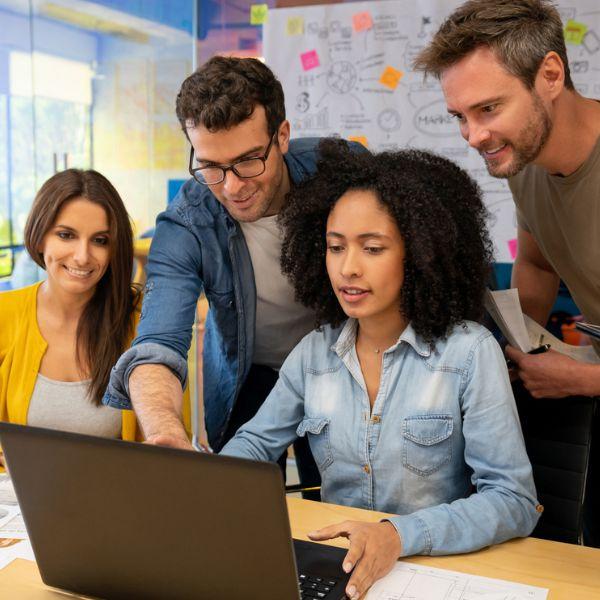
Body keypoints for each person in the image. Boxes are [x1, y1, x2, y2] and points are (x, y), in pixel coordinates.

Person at [220, 140, 540, 600]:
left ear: (419, 253)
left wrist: (398, 534)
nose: (348, 268)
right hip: (340, 571)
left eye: (372, 248)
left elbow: (513, 501)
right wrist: (210, 485)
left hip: (433, 572)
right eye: (335, 247)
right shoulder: (313, 354)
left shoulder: (470, 353)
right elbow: (254, 443)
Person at [103, 56, 363, 493]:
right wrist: (165, 432)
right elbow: (157, 345)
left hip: (342, 366)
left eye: (247, 161)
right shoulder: (187, 220)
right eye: (210, 165)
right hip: (248, 375)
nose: (231, 186)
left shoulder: (341, 171)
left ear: (282, 136)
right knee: (242, 502)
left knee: (337, 499)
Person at [414, 0, 600, 547]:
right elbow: (538, 263)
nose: (473, 135)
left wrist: (584, 379)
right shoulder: (527, 164)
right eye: (460, 116)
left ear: (550, 75)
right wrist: (514, 349)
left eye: (488, 108)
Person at [0, 169, 142, 467]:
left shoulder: (142, 320)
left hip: (115, 492)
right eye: (66, 235)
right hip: (19, 494)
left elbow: (168, 448)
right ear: (40, 238)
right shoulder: (5, 314)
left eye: (100, 240)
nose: (82, 256)